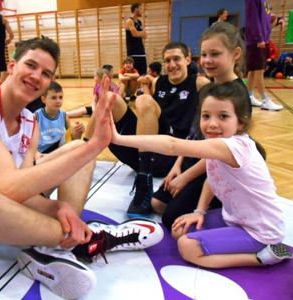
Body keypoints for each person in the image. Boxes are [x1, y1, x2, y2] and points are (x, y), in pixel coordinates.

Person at [0, 36, 163, 299]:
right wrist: (94, 144)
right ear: (12, 65)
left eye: (45, 73)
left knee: (75, 151)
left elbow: (20, 191)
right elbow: (6, 185)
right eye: (30, 65)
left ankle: (56, 247)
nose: (36, 76)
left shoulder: (30, 122)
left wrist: (59, 207)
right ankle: (86, 237)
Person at [111, 81, 293, 268]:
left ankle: (263, 256)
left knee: (187, 246)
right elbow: (213, 179)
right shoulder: (217, 146)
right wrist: (199, 212)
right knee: (179, 229)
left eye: (223, 116)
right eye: (206, 116)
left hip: (260, 231)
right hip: (235, 219)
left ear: (240, 122)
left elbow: (172, 145)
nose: (212, 124)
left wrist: (117, 138)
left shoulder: (233, 146)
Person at [85, 42, 210, 218]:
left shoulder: (199, 83)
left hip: (174, 152)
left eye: (177, 59)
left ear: (188, 60)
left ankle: (144, 180)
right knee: (110, 98)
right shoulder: (159, 82)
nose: (172, 64)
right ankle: (79, 152)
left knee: (143, 100)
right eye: (167, 61)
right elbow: (149, 114)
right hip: (148, 151)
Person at [154, 23, 251, 230]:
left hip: (213, 168)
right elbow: (194, 131)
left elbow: (219, 153)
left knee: (171, 219)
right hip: (196, 158)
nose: (207, 61)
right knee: (157, 204)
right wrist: (177, 165)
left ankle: (221, 205)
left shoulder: (238, 95)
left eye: (215, 54)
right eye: (204, 54)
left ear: (235, 54)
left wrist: (185, 177)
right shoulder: (209, 88)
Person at [245, 0, 283, 111]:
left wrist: (278, 20)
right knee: (259, 70)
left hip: (262, 39)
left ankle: (249, 96)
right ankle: (265, 99)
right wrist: (258, 37)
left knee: (252, 71)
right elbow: (253, 18)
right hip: (257, 40)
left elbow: (266, 18)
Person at [36, 81, 85, 154]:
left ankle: (72, 155)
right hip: (41, 152)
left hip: (59, 149)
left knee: (76, 128)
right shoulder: (36, 116)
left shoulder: (64, 115)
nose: (58, 101)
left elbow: (71, 137)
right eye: (54, 98)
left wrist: (80, 128)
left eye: (60, 97)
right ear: (44, 99)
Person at [125, 3, 147, 75]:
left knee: (143, 73)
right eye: (140, 9)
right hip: (133, 52)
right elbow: (134, 34)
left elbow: (145, 35)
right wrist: (141, 33)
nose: (141, 11)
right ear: (136, 9)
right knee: (134, 74)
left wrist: (140, 33)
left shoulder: (139, 22)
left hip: (141, 51)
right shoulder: (129, 21)